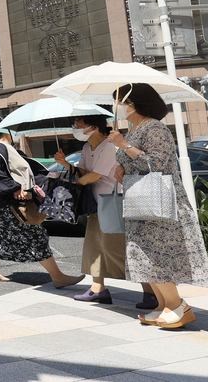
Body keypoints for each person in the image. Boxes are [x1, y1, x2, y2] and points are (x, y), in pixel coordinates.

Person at [109, 83, 208, 329]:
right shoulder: (134, 129)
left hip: (161, 204)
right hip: (141, 202)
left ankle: (178, 305)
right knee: (141, 254)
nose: (118, 107)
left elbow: (157, 163)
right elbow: (137, 162)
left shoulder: (155, 128)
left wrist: (123, 146)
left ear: (133, 103)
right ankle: (163, 305)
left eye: (121, 102)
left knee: (156, 255)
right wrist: (122, 165)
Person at [0, 130, 84, 288]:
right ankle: (58, 276)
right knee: (36, 236)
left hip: (5, 205)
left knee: (1, 235)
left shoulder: (5, 150)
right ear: (7, 133)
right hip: (11, 205)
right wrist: (14, 188)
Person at [54, 115, 131, 304]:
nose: (75, 128)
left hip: (110, 203)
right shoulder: (87, 147)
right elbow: (83, 172)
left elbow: (95, 176)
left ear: (93, 127)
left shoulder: (108, 146)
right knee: (94, 247)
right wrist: (65, 165)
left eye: (78, 124)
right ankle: (98, 288)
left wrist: (71, 184)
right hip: (95, 203)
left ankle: (151, 289)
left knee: (117, 248)